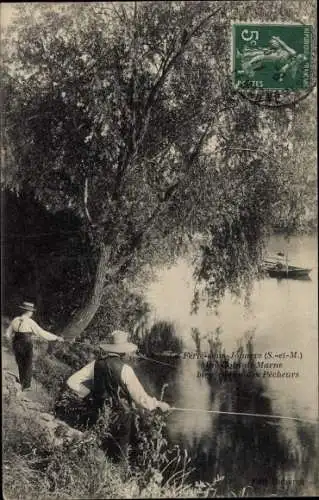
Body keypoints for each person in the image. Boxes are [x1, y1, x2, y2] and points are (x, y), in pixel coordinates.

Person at [67, 330, 170, 460]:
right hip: (121, 418)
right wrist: (159, 404)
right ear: (123, 352)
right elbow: (141, 398)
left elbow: (71, 382)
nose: (130, 354)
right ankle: (115, 475)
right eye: (128, 352)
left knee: (97, 450)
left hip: (98, 413)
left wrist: (89, 395)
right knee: (118, 456)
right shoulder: (125, 369)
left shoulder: (95, 364)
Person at [5, 301, 64, 392]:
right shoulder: (30, 322)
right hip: (26, 344)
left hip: (16, 343)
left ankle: (22, 383)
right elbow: (42, 333)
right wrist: (56, 338)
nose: (32, 313)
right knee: (28, 363)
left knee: (20, 362)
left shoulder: (15, 319)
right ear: (29, 312)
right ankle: (26, 386)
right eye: (32, 311)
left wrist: (11, 340)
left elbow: (8, 333)